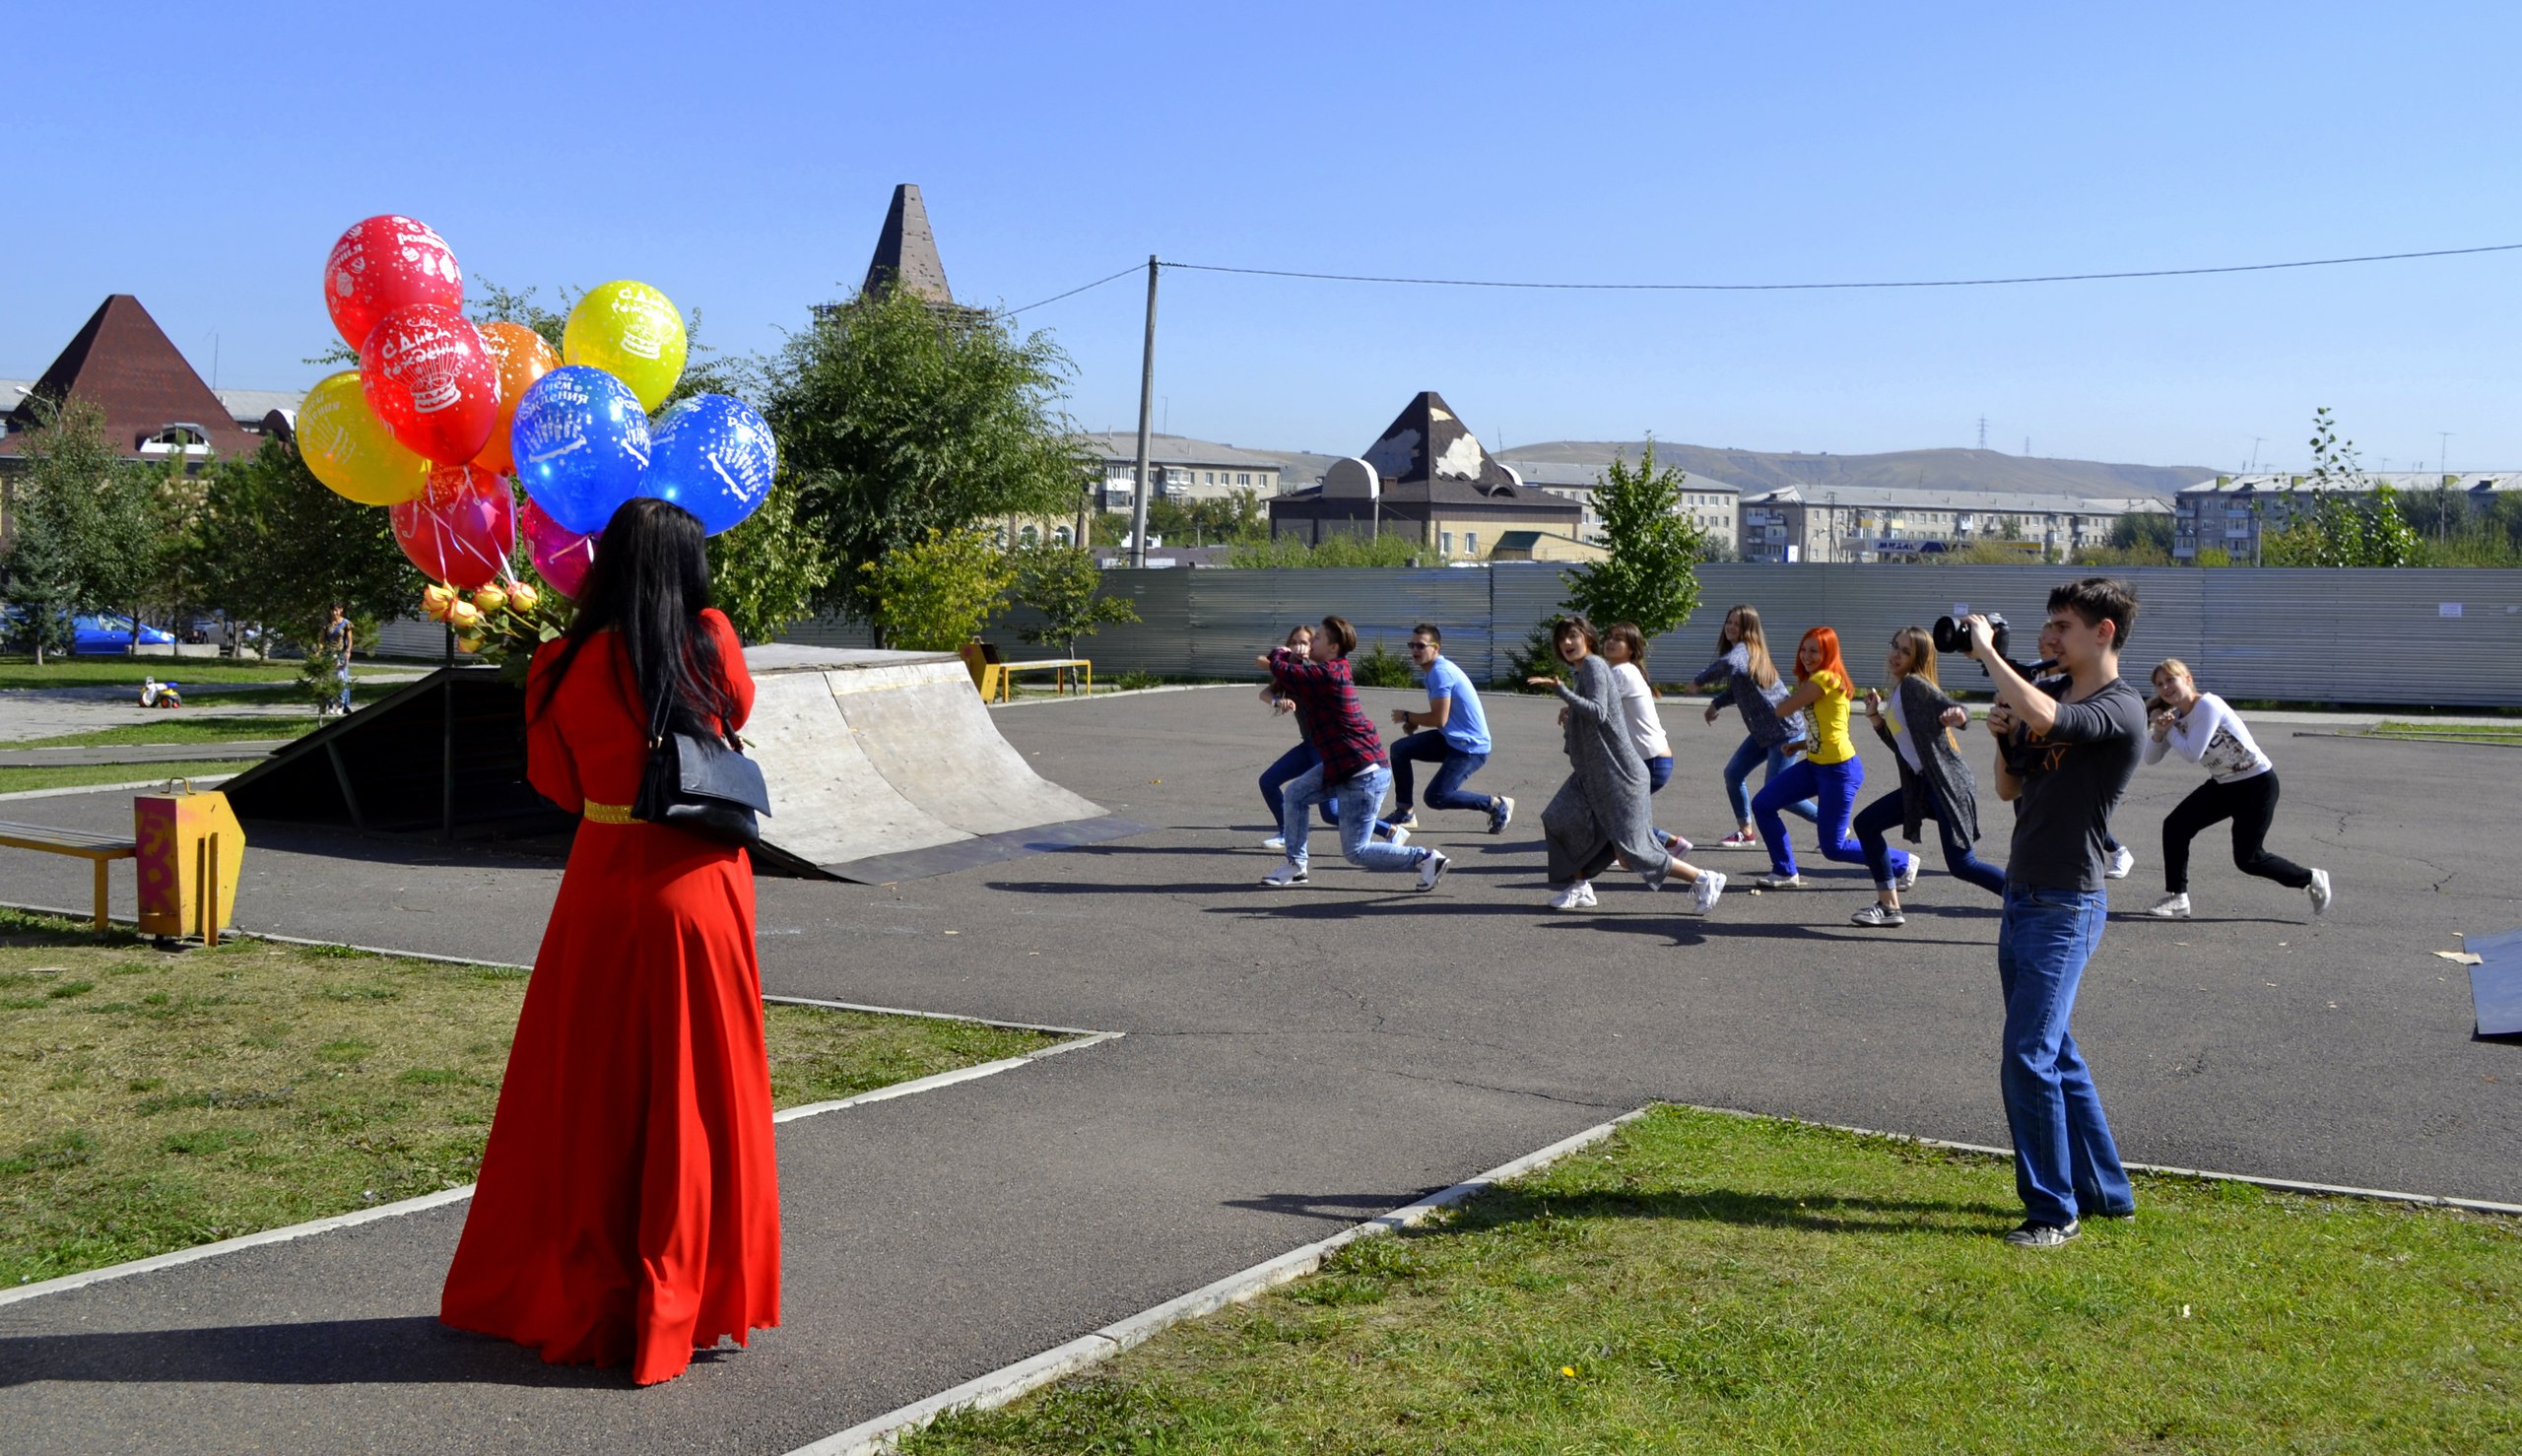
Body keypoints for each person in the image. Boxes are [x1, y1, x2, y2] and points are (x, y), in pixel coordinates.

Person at [441, 498, 780, 1383]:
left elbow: (554, 783)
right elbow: (741, 708)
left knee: (587, 1094)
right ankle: (691, 1292)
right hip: (698, 886)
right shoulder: (707, 638)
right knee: (695, 1089)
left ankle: (587, 1286)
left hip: (600, 880)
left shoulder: (556, 661)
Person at [1963, 577, 2147, 1249]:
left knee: (2027, 1055)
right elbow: (2012, 786)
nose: (2051, 635)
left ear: (2104, 632)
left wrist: (1990, 657)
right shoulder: (2056, 696)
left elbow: (2052, 722)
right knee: (2055, 1051)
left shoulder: (2121, 706)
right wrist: (2002, 737)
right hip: (2024, 894)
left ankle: (2053, 1211)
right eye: (2050, 624)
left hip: (2069, 903)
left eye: (2064, 625)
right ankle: (2107, 1193)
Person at [1530, 616, 1725, 914]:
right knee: (1558, 819)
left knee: (1632, 853)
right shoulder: (1584, 671)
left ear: (1587, 638)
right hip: (1595, 775)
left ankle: (1703, 879)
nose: (1566, 643)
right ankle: (1580, 887)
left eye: (1572, 636)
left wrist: (1562, 694)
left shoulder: (1594, 666)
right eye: (1561, 638)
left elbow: (1597, 712)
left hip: (1619, 775)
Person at [1257, 615, 1449, 892]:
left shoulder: (1328, 674)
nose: (1311, 643)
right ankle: (1296, 866)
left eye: (1318, 638)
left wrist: (1285, 652)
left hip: (1363, 772)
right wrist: (1290, 659)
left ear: (1333, 648)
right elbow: (1283, 677)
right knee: (1295, 795)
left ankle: (1426, 858)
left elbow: (1281, 668)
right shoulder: (1326, 670)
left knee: (1356, 851)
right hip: (1343, 765)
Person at [2139, 658, 2333, 920]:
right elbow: (2150, 758)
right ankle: (2178, 897)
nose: (2165, 687)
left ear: (2187, 679)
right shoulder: (2177, 718)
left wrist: (2169, 728)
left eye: (2170, 679)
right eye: (2160, 684)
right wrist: (2159, 732)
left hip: (2257, 784)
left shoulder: (2208, 705)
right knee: (2175, 826)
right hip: (2223, 785)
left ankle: (2310, 878)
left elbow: (2193, 753)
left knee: (2249, 859)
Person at [1850, 627, 2005, 926]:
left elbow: (1954, 707)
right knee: (1866, 825)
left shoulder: (1914, 686)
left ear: (1918, 657)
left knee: (1963, 864)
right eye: (1895, 646)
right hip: (1923, 786)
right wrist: (1874, 715)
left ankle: (2027, 900)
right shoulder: (1898, 690)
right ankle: (1889, 907)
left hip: (1946, 785)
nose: (1896, 654)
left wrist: (1958, 716)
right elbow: (1903, 747)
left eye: (1905, 651)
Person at [1749, 627, 1883, 890]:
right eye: (1804, 649)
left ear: (1829, 653)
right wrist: (1799, 743)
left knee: (1833, 847)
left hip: (1839, 771)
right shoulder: (1820, 680)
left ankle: (1901, 863)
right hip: (1815, 765)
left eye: (1814, 651)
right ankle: (1785, 871)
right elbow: (1832, 727)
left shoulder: (1824, 679)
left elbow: (1783, 709)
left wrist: (1762, 680)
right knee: (1764, 804)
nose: (1806, 656)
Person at [1690, 605, 1819, 849]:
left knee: (1778, 792)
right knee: (1733, 774)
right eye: (1729, 622)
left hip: (1784, 732)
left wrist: (1699, 681)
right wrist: (1716, 703)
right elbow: (1738, 690)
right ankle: (1746, 832)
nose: (1730, 627)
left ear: (1748, 629)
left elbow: (1727, 664)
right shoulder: (1748, 654)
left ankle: (1830, 824)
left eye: (1737, 624)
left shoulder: (1744, 651)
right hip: (1763, 733)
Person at [1385, 624, 1513, 836]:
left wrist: (1408, 716)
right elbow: (1443, 716)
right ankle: (1404, 812)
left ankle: (1496, 804)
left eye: (1420, 645)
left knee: (1436, 797)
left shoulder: (1440, 673)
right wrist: (1416, 720)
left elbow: (1438, 719)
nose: (1415, 650)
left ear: (1436, 648)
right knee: (1399, 750)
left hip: (1470, 748)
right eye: (1412, 645)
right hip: (1451, 739)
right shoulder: (1434, 671)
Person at [1600, 623, 1686, 854]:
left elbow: (1596, 708)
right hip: (1653, 759)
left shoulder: (1622, 672)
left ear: (1632, 648)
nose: (1610, 641)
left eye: (1618, 639)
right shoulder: (1625, 671)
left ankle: (1669, 843)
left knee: (1615, 811)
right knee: (1620, 811)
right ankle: (1631, 848)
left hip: (1650, 761)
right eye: (1608, 636)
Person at [1256, 624, 1342, 851]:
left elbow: (1267, 663)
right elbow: (1265, 690)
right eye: (1294, 642)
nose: (1298, 647)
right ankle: (1287, 832)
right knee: (1268, 781)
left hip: (1326, 751)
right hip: (1309, 745)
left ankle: (1390, 830)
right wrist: (1278, 701)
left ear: (1315, 645)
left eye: (1304, 642)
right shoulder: (1289, 670)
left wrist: (1277, 659)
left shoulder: (1313, 670)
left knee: (1331, 814)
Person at [319, 603, 355, 718]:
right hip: (329, 654)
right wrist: (319, 651)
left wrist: (348, 651)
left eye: (337, 610)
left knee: (341, 680)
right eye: (333, 610)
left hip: (341, 653)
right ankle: (329, 705)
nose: (335, 612)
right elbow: (322, 639)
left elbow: (349, 640)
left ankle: (341, 705)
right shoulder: (326, 623)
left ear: (341, 610)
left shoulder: (346, 623)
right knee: (329, 679)